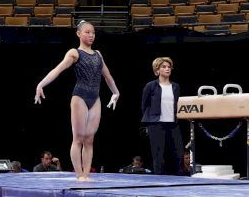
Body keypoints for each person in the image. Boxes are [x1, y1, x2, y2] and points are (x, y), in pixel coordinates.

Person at [34, 20, 120, 181]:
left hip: (95, 98)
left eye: (93, 32)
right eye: (87, 32)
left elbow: (107, 76)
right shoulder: (74, 53)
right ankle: (79, 174)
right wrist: (41, 84)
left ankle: (87, 174)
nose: (91, 35)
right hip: (80, 96)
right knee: (78, 138)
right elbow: (57, 70)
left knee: (89, 139)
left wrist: (116, 92)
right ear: (79, 34)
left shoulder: (98, 54)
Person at [141, 57, 183, 175]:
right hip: (156, 123)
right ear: (157, 70)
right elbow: (144, 105)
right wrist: (150, 120)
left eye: (169, 67)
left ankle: (179, 177)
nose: (167, 69)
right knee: (158, 154)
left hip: (172, 123)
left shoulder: (175, 86)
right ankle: (159, 178)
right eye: (164, 67)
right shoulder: (151, 86)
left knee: (178, 152)